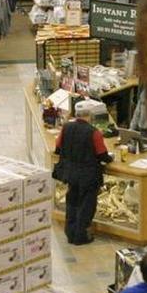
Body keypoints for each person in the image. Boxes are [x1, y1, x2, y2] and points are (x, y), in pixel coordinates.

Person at [54, 103, 112, 245]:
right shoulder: (94, 133)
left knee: (72, 203)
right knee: (86, 206)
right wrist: (110, 158)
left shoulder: (66, 127)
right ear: (89, 116)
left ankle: (70, 233)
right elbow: (102, 155)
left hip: (70, 174)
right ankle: (81, 236)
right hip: (88, 176)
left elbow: (57, 147)